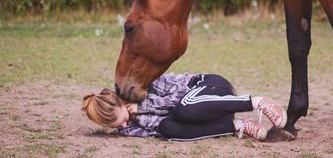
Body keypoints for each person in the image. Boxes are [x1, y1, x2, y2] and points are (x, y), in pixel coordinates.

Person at [82, 73, 286, 141]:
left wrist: (143, 106)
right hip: (204, 117)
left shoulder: (147, 84)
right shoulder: (126, 128)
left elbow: (179, 100)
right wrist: (140, 116)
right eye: (119, 125)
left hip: (211, 87)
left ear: (121, 102)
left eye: (123, 118)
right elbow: (162, 128)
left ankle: (256, 102)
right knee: (167, 131)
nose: (125, 125)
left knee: (183, 109)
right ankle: (237, 125)